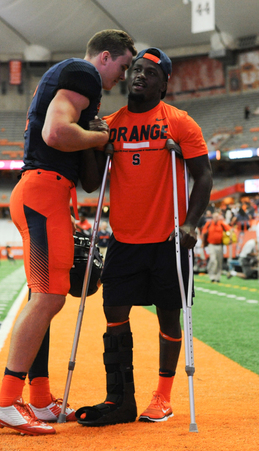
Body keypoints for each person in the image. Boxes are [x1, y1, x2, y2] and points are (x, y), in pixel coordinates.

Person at [0, 29, 136, 436]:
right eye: (123, 66)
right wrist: (99, 136)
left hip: (46, 192)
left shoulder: (73, 81)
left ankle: (39, 397)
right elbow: (55, 134)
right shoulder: (82, 73)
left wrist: (93, 139)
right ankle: (5, 402)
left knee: (44, 297)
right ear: (105, 56)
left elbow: (87, 177)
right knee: (49, 299)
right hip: (44, 193)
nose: (123, 76)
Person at [75, 47, 213, 426]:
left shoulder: (180, 123)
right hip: (124, 239)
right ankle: (120, 398)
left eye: (150, 73)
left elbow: (203, 175)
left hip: (169, 239)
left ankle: (163, 397)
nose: (139, 76)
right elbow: (90, 183)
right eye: (135, 69)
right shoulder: (111, 123)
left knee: (169, 318)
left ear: (164, 83)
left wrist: (190, 224)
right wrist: (93, 143)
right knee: (114, 312)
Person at [202, 212, 231, 282]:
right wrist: (203, 243)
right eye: (215, 217)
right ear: (213, 217)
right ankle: (212, 276)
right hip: (211, 245)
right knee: (213, 260)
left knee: (219, 261)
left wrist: (230, 238)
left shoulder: (221, 224)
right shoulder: (209, 224)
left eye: (217, 217)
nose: (216, 218)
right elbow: (204, 233)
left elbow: (229, 230)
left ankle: (217, 277)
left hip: (220, 245)